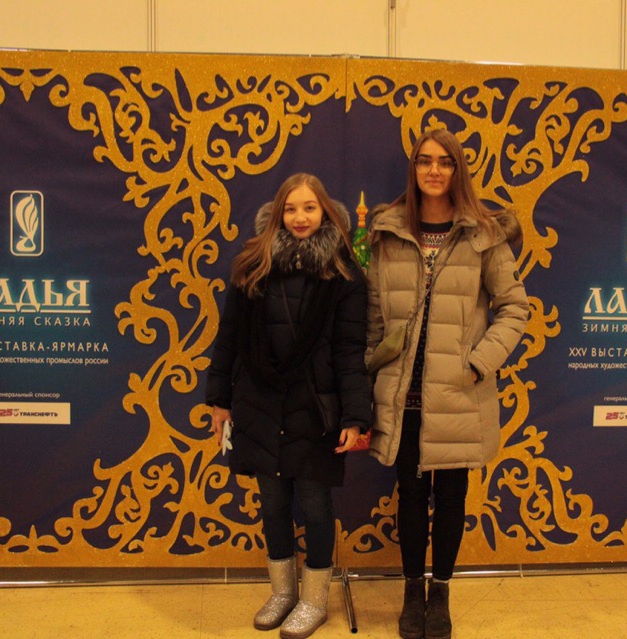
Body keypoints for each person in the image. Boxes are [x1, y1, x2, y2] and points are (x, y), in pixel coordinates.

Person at [366, 129, 529, 639]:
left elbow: (514, 308)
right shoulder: (389, 232)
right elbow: (373, 316)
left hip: (458, 393)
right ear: (413, 169)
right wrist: (372, 371)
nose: (434, 170)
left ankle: (441, 592)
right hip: (403, 396)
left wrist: (478, 363)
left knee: (452, 498)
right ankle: (412, 592)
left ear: (458, 170)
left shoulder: (484, 234)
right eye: (424, 161)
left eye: (445, 162)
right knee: (411, 497)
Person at [206, 173, 372, 639]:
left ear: (325, 213)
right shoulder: (252, 266)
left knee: (316, 506)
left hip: (315, 409)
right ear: (278, 214)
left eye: (309, 208)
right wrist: (219, 400)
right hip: (258, 404)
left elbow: (350, 350)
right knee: (273, 503)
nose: (300, 217)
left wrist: (355, 415)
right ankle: (282, 592)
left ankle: (314, 599)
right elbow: (228, 338)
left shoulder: (343, 274)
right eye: (291, 209)